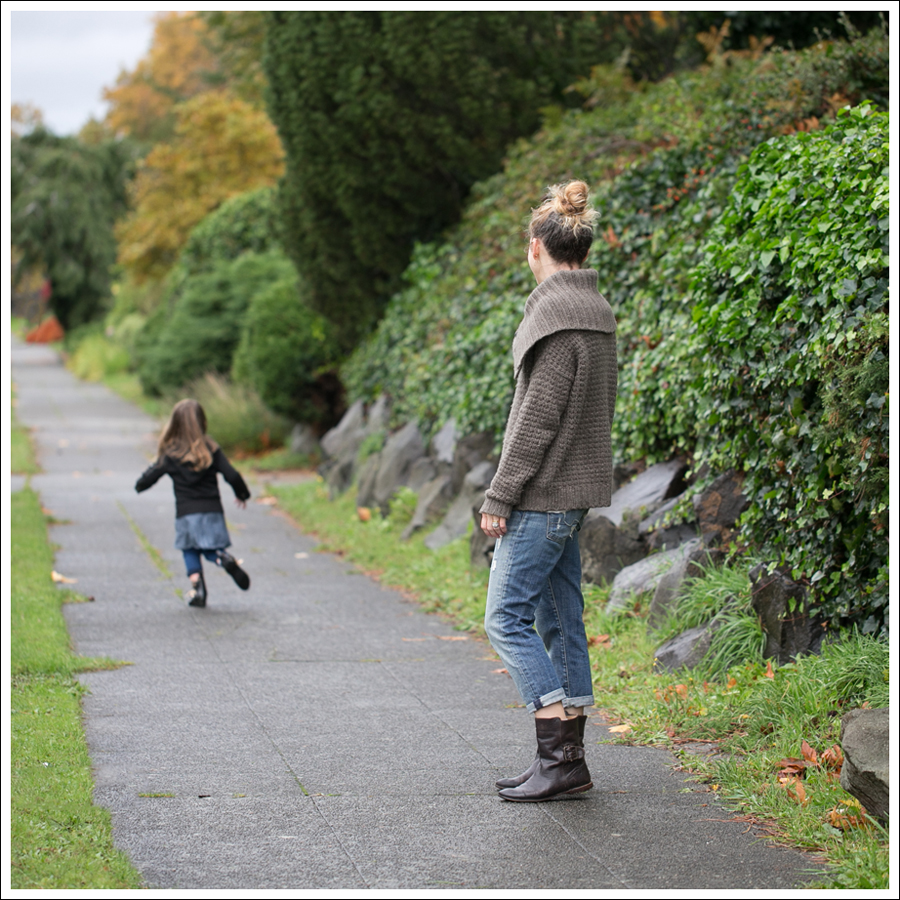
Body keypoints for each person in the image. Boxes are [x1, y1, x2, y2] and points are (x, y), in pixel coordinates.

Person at [480, 180, 617, 802]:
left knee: (504, 618)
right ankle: (569, 762)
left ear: (537, 247)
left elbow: (535, 421)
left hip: (543, 493)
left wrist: (499, 496)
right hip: (574, 490)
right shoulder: (596, 310)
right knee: (561, 619)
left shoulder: (553, 316)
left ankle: (556, 748)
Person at [136, 398, 251, 608]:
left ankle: (198, 587)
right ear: (202, 422)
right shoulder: (211, 449)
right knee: (210, 548)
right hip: (213, 511)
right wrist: (242, 494)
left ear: (174, 424)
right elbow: (232, 475)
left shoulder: (171, 454)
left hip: (186, 514)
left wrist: (140, 485)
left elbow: (152, 475)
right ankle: (222, 558)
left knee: (189, 549)